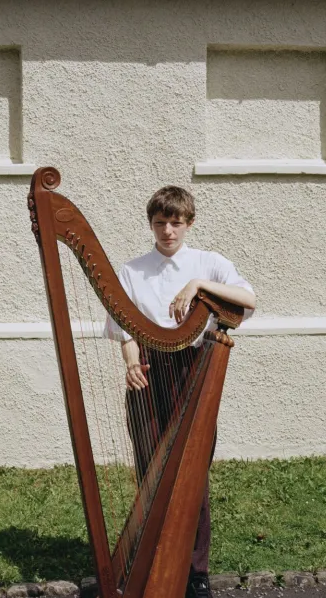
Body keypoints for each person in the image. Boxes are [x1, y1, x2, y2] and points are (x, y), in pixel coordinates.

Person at [104, 185, 255, 598]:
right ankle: (150, 558)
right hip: (149, 373)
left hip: (193, 372)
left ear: (189, 222)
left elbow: (248, 299)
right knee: (149, 468)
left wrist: (198, 286)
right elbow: (124, 328)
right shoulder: (132, 270)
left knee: (193, 475)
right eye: (159, 222)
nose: (167, 230)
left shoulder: (209, 262)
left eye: (175, 222)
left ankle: (195, 572)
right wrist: (132, 363)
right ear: (150, 224)